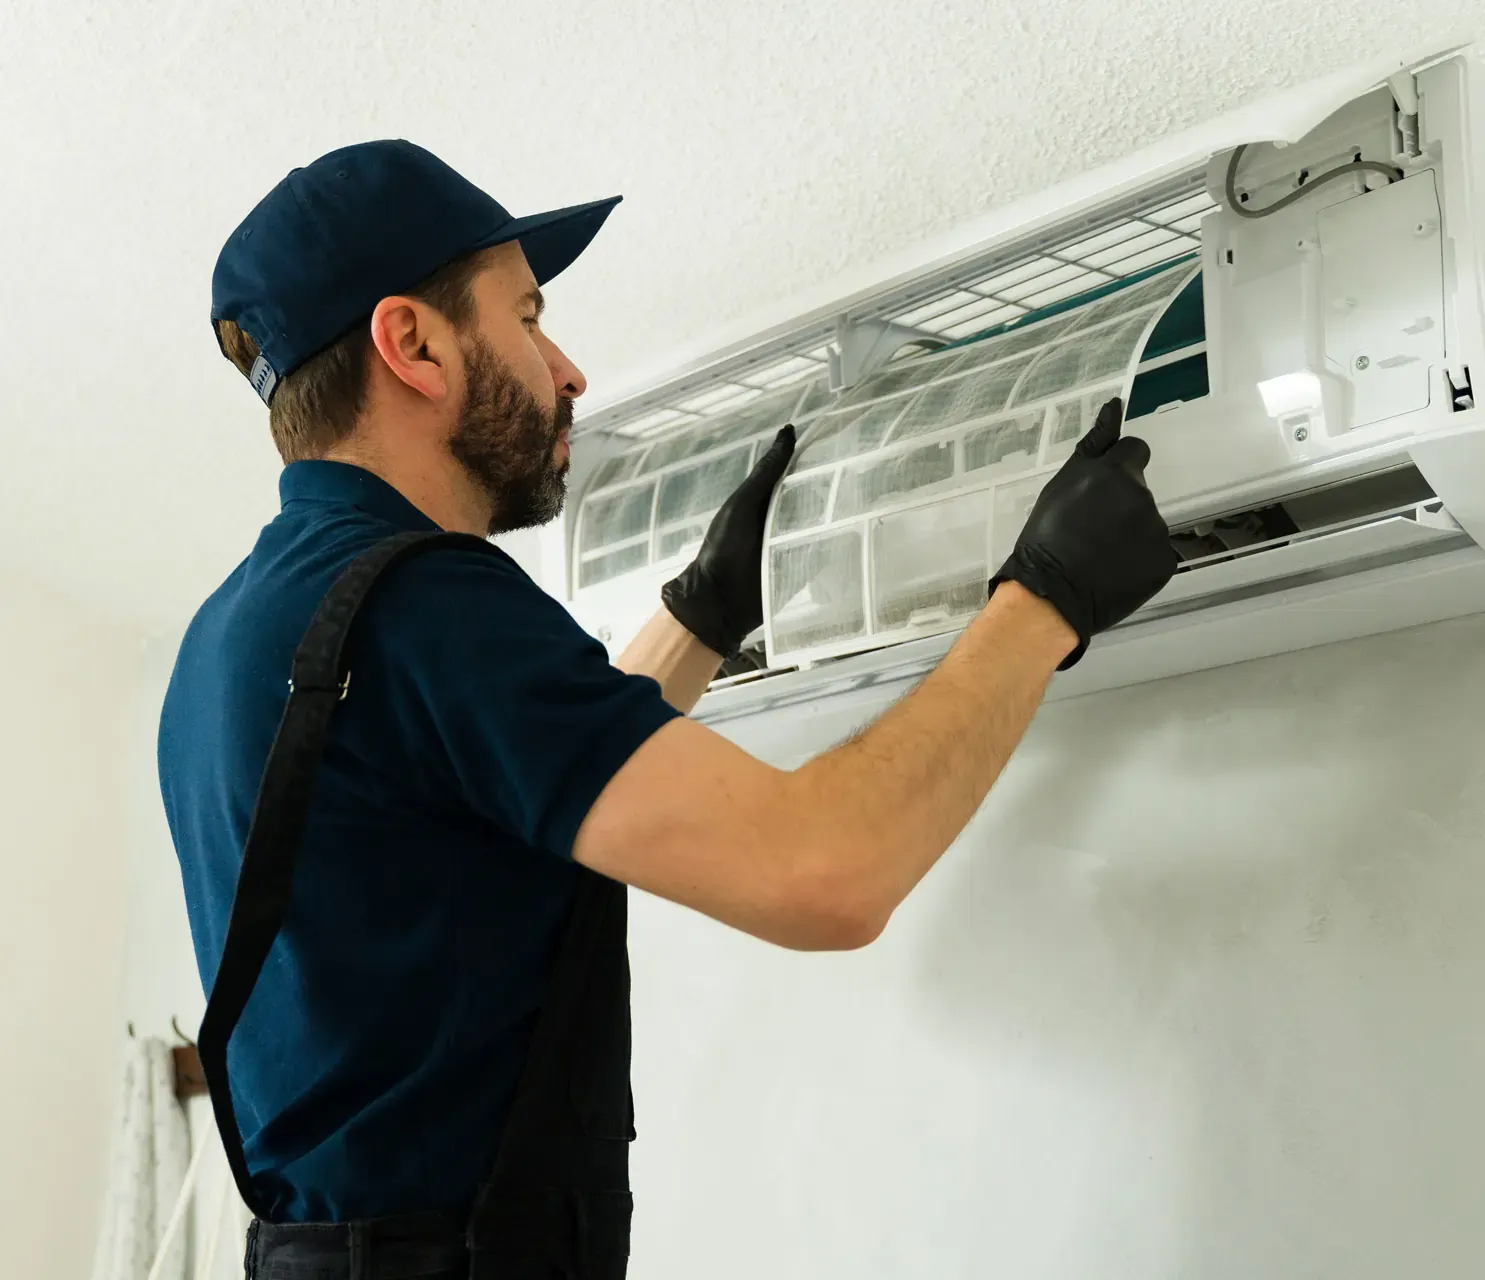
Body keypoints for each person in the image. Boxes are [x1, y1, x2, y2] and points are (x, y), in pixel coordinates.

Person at [160, 139, 1178, 1280]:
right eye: (529, 316)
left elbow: (520, 791)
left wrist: (700, 613)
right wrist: (1046, 596)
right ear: (413, 343)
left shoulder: (232, 635)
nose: (568, 368)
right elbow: (826, 869)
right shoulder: (425, 602)